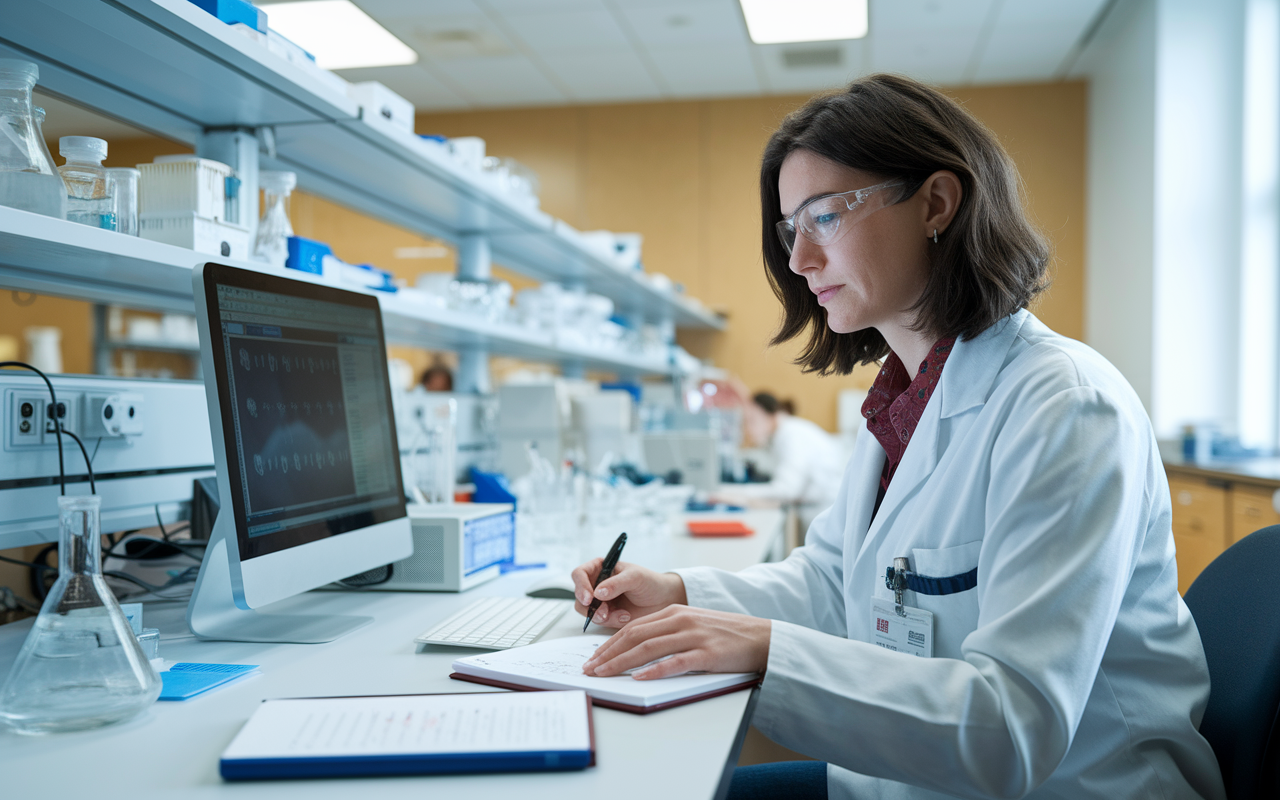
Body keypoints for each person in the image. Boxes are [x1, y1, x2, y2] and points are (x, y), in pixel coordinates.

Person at [570, 74, 1225, 800]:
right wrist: (679, 592)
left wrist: (763, 653)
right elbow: (831, 581)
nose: (798, 261)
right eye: (792, 229)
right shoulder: (905, 400)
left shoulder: (1067, 409)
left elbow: (1014, 727)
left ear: (937, 204)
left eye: (825, 217)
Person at [715, 390, 845, 534]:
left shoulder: (791, 435)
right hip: (818, 509)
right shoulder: (783, 435)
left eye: (752, 420)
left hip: (824, 511)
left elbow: (786, 490)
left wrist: (732, 492)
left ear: (771, 416)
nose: (748, 430)